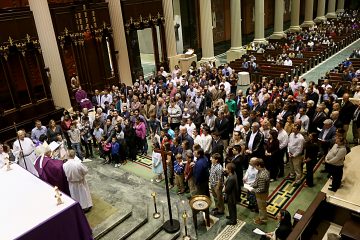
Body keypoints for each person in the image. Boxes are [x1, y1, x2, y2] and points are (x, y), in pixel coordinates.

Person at [252, 158, 270, 225]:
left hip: (261, 194)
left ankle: (263, 220)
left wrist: (252, 190)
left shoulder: (262, 175)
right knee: (261, 206)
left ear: (259, 165)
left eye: (255, 166)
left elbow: (261, 189)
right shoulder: (264, 170)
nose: (255, 167)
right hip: (262, 192)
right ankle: (261, 217)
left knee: (262, 207)